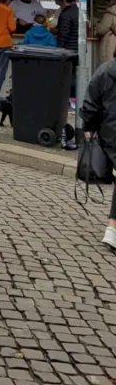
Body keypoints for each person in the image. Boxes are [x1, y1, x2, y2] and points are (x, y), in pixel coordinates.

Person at [80, 56, 116, 250]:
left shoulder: (104, 70)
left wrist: (88, 127)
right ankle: (112, 229)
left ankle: (112, 229)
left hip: (109, 132)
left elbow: (91, 103)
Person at [97, 0, 116, 64]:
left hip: (111, 42)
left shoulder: (109, 14)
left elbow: (101, 30)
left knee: (108, 66)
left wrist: (97, 29)